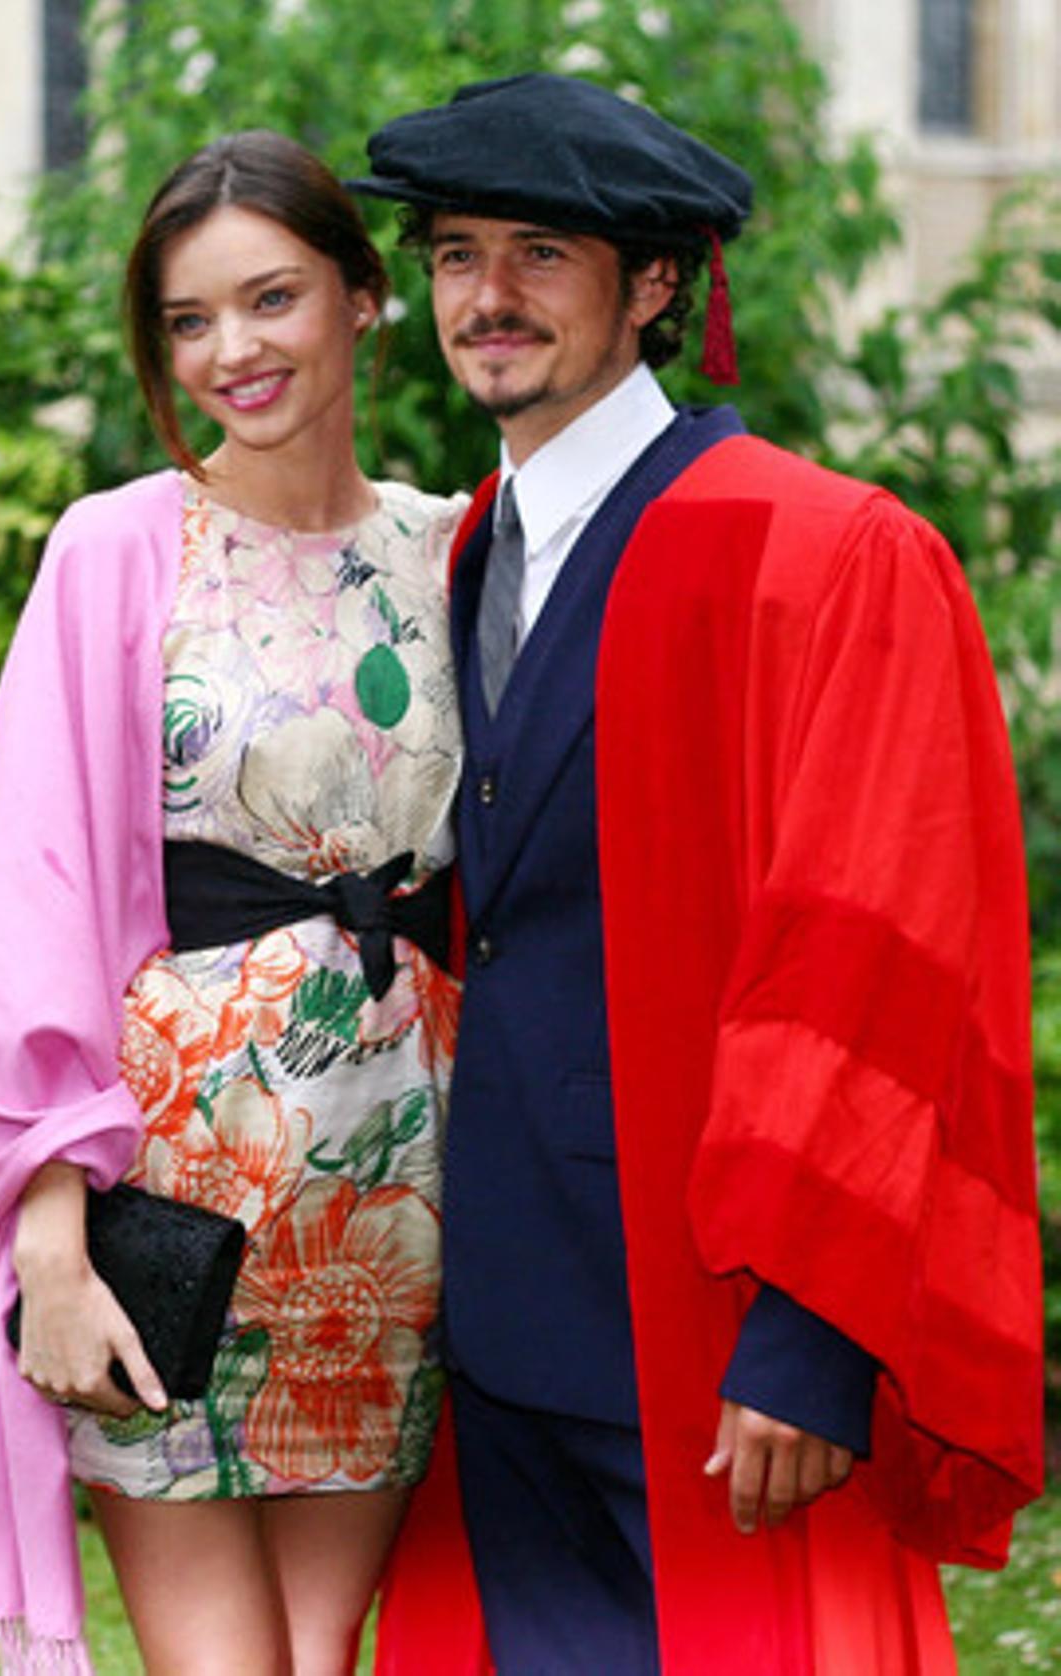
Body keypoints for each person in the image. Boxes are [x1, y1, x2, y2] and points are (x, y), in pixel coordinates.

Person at [348, 73, 1045, 1675]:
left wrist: (811, 1334)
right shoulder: (468, 553)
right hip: (499, 1317)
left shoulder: (824, 556)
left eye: (541, 253)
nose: (488, 299)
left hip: (708, 1321)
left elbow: (879, 955)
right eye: (457, 256)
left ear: (658, 284)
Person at [0, 130, 466, 1676]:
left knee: (315, 1648)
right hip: (174, 1210)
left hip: (395, 1207)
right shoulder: (117, 548)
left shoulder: (450, 552)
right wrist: (48, 1239)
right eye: (188, 319)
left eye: (271, 298)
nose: (233, 349)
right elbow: (34, 888)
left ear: (362, 299)